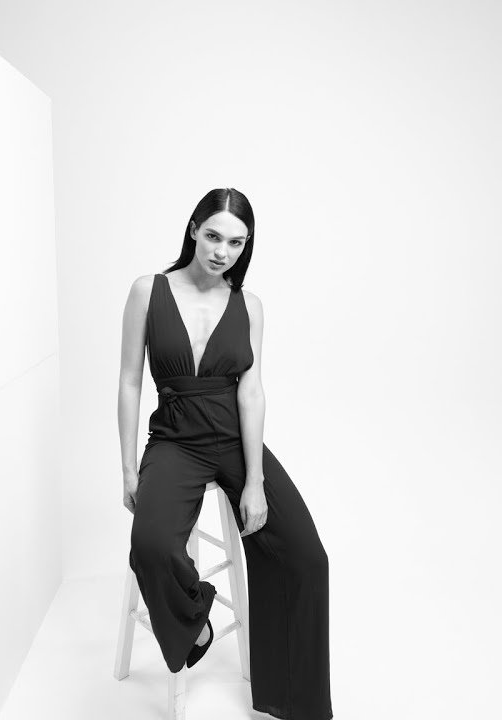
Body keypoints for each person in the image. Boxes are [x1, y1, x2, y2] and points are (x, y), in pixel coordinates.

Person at [118, 188, 333, 720]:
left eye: (237, 243)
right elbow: (129, 382)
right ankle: (198, 620)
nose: (222, 252)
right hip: (175, 440)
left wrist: (254, 480)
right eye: (213, 236)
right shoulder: (148, 290)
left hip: (235, 440)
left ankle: (294, 702)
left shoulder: (249, 304)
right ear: (193, 229)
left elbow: (251, 392)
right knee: (150, 543)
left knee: (306, 557)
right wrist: (127, 469)